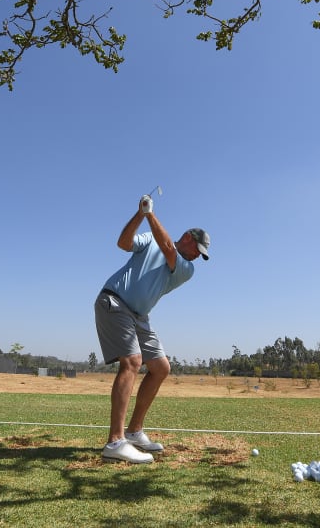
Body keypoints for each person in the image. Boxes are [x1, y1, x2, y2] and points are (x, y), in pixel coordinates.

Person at [94, 193, 210, 463]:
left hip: (140, 316)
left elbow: (168, 247)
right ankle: (115, 442)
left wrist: (150, 214)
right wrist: (140, 214)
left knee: (160, 367)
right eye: (197, 251)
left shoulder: (185, 268)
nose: (196, 257)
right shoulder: (150, 240)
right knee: (132, 361)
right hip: (114, 301)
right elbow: (123, 242)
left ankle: (134, 432)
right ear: (188, 239)